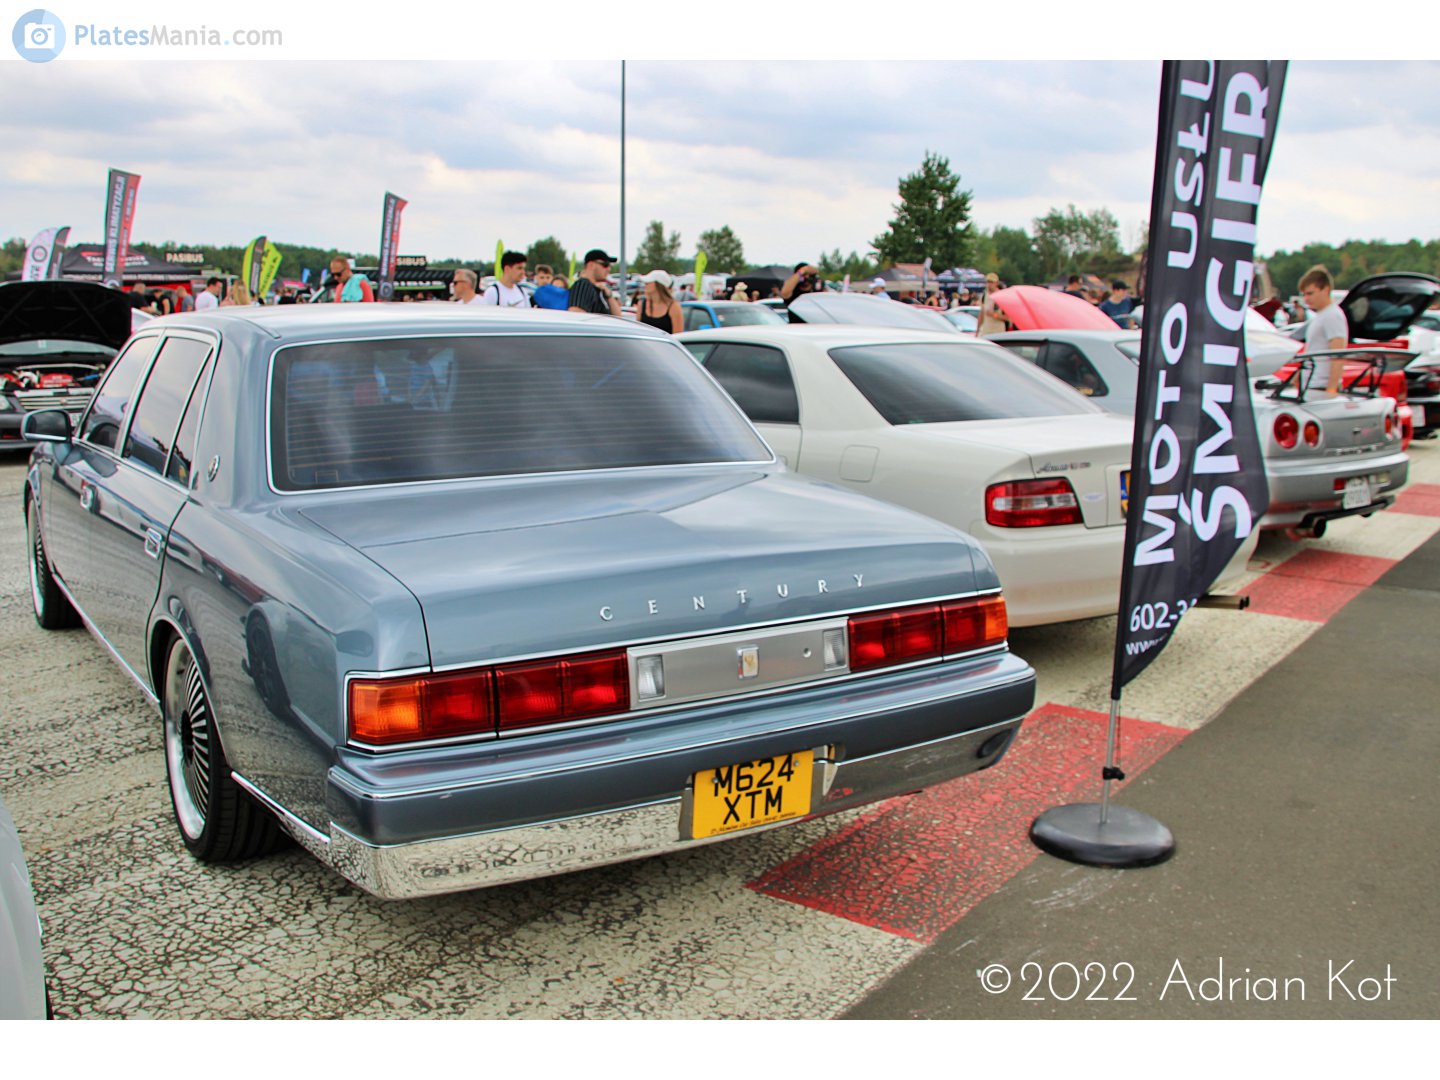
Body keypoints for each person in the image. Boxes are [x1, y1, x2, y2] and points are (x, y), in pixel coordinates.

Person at [1299, 264, 1349, 393]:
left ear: (1326, 290)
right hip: (1312, 386)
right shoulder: (1320, 316)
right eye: (1304, 294)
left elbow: (1338, 355)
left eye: (1310, 293)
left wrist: (1331, 390)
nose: (1306, 299)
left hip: (1320, 387)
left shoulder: (1333, 315)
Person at [568, 249, 622, 316]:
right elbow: (575, 314)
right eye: (605, 265)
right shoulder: (583, 285)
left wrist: (609, 295)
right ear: (591, 265)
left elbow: (618, 317)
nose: (609, 269)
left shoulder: (598, 289)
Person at [635, 269, 683, 334]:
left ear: (658, 285)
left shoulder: (673, 307)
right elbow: (637, 332)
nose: (645, 285)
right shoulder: (641, 304)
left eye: (648, 282)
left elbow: (678, 336)